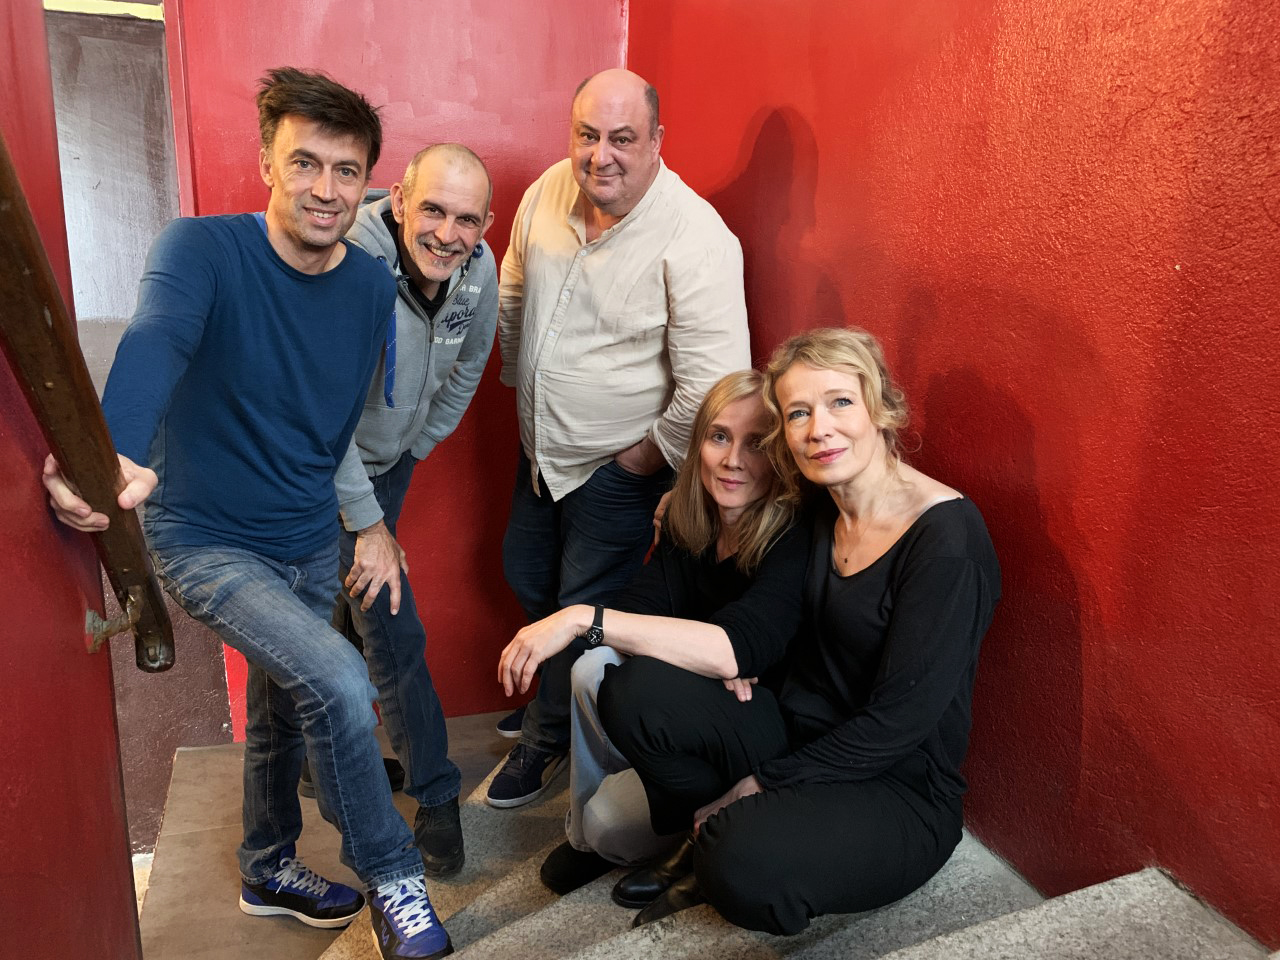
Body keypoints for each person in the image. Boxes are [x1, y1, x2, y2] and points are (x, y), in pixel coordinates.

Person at [41, 68, 452, 960]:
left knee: (281, 713)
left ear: (367, 184)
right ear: (267, 161)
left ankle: (267, 865)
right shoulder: (202, 250)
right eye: (304, 163)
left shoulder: (369, 287)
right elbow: (157, 337)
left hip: (306, 539)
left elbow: (333, 426)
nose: (325, 188)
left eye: (346, 171)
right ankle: (394, 877)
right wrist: (112, 454)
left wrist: (366, 525)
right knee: (337, 677)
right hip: (207, 541)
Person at [597, 327, 1002, 935]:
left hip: (897, 785)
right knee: (637, 692)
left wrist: (761, 783)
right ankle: (706, 832)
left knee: (743, 859)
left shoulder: (946, 542)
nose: (819, 429)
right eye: (798, 413)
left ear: (880, 407)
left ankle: (717, 844)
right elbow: (760, 604)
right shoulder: (818, 507)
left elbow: (898, 724)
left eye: (840, 402)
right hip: (793, 733)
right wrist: (680, 507)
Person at [492, 67, 750, 808]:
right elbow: (514, 284)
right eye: (586, 135)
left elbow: (717, 384)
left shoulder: (698, 236)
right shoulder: (547, 190)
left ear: (658, 141)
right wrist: (520, 384)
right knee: (526, 574)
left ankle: (547, 738)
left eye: (622, 139)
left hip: (616, 473)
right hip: (540, 452)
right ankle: (550, 693)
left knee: (583, 607)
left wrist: (639, 461)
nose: (599, 155)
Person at [495, 371, 809, 895]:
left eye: (756, 443)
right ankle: (586, 840)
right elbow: (638, 610)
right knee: (595, 669)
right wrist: (704, 656)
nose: (732, 459)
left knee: (612, 816)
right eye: (719, 436)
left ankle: (714, 833)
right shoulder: (693, 522)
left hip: (767, 736)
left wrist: (577, 617)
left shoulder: (793, 535)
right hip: (692, 711)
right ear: (699, 443)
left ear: (779, 455)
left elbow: (739, 648)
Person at [307, 143, 497, 879]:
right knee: (390, 625)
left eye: (467, 220)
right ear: (398, 199)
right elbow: (320, 413)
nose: (448, 234)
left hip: (388, 466)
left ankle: (313, 764)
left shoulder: (478, 270)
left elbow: (469, 367)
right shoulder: (348, 263)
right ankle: (437, 791)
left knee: (334, 613)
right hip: (319, 467)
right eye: (433, 211)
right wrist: (367, 520)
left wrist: (415, 446)